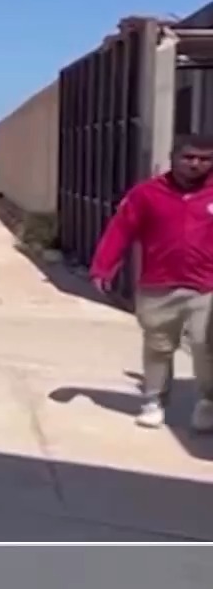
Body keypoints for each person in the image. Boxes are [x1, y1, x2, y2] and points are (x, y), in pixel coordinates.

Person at [88, 133, 213, 432]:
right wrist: (103, 268)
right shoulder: (146, 194)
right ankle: (154, 400)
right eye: (189, 157)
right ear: (174, 158)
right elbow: (121, 230)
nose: (196, 164)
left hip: (207, 286)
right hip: (159, 285)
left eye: (205, 159)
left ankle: (208, 402)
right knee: (158, 346)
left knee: (204, 344)